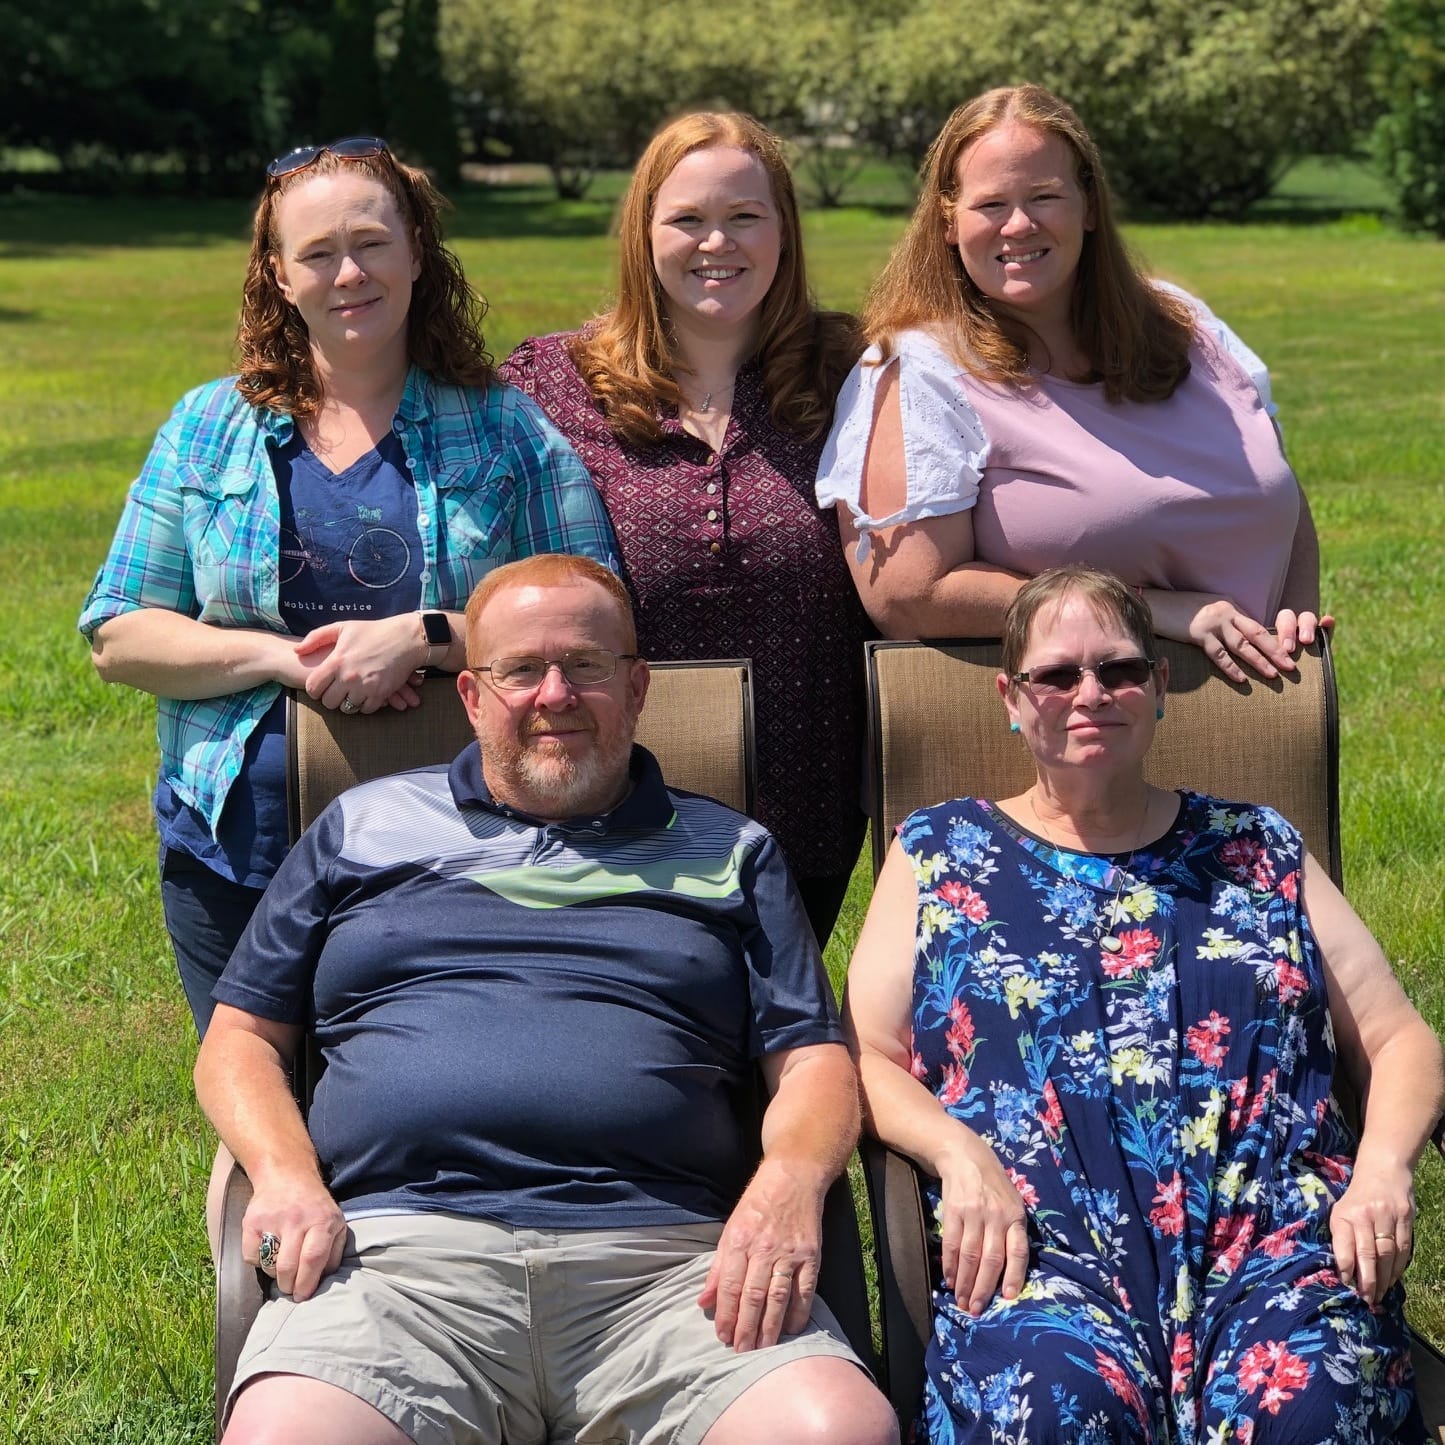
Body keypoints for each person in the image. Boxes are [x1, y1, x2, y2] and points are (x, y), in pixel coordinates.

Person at [195, 553, 898, 1445]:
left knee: (834, 1432)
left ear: (638, 686)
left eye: (586, 667)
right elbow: (240, 1039)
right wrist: (288, 1177)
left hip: (673, 1273)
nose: (553, 694)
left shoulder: (732, 852)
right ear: (474, 696)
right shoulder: (361, 828)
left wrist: (792, 1185)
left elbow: (810, 1059)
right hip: (395, 1264)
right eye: (520, 670)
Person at [844, 564, 1440, 1442]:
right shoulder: (940, 851)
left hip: (1273, 1245)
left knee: (1313, 1400)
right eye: (1056, 674)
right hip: (1044, 1254)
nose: (1090, 693)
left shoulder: (1254, 846)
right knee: (1049, 1411)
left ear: (1159, 687)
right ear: (1011, 697)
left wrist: (1383, 1169)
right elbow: (858, 1051)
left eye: (1119, 669)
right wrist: (955, 1154)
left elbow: (1396, 1037)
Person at [79, 137, 616, 1037]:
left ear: (415, 250)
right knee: (259, 1109)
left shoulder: (504, 428)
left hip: (457, 846)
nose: (348, 273)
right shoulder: (209, 426)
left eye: (370, 242)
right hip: (236, 843)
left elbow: (597, 606)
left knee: (417, 1102)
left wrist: (431, 635)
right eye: (316, 253)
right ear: (279, 276)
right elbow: (118, 633)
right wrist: (280, 659)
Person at [500, 111, 869, 946]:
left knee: (775, 1044)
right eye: (688, 220)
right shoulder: (552, 383)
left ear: (784, 231)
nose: (718, 244)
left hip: (806, 796)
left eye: (745, 217)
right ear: (643, 233)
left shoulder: (851, 371)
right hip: (613, 793)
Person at [817, 85, 1328, 685]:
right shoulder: (919, 370)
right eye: (991, 204)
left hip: (1260, 713)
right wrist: (1143, 611)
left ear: (1088, 207)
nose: (1019, 224)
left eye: (1045, 196)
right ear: (948, 222)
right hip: (1070, 737)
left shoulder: (1185, 324)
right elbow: (909, 595)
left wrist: (1294, 618)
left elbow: (1281, 490)